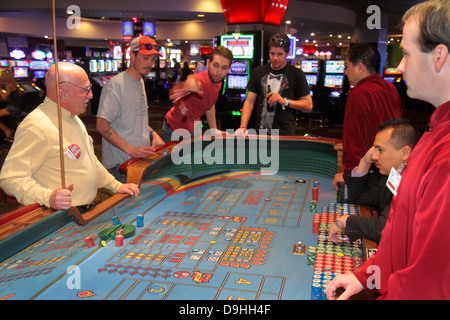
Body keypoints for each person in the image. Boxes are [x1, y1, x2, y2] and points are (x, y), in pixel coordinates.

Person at [326, 0, 450, 300]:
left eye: (406, 54)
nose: (400, 66)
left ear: (439, 56)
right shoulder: (435, 129)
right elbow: (398, 228)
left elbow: (429, 281)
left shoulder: (445, 155)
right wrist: (365, 275)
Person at [0, 62, 140, 211]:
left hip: (83, 212)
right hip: (57, 216)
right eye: (85, 90)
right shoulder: (36, 126)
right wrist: (47, 196)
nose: (91, 95)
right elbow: (10, 178)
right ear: (62, 94)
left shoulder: (73, 117)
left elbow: (90, 161)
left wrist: (116, 186)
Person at [329, 119, 420, 244]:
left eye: (380, 150)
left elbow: (385, 228)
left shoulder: (416, 182)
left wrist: (345, 221)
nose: (375, 156)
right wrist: (365, 162)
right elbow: (358, 197)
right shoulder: (391, 175)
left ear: (405, 152)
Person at [332, 43, 403, 190]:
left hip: (368, 173)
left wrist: (349, 175)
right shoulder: (391, 88)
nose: (345, 72)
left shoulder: (359, 93)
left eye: (347, 66)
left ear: (359, 67)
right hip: (392, 169)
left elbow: (356, 139)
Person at [96, 36, 164, 183]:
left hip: (138, 161)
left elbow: (134, 117)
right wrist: (130, 150)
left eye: (153, 59)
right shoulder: (115, 86)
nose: (150, 64)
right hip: (121, 166)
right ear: (131, 55)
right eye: (145, 58)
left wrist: (153, 134)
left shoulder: (140, 81)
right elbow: (101, 125)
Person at [235, 33, 312, 136]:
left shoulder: (296, 74)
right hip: (261, 132)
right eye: (272, 53)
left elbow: (308, 105)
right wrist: (243, 126)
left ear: (287, 53)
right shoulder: (258, 71)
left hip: (284, 133)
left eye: (280, 54)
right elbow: (249, 102)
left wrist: (284, 101)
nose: (275, 58)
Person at [161, 46, 232, 143]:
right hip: (174, 129)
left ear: (229, 69)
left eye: (224, 68)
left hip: (194, 127)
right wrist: (189, 85)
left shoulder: (218, 82)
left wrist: (214, 130)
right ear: (208, 63)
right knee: (174, 158)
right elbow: (194, 80)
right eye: (215, 65)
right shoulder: (202, 80)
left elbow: (209, 105)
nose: (219, 72)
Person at [0, 68, 23, 142]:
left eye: (2, 76)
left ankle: (7, 130)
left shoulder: (9, 85)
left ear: (6, 77)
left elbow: (4, 97)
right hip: (14, 107)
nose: (1, 77)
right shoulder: (12, 84)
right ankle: (7, 131)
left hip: (13, 108)